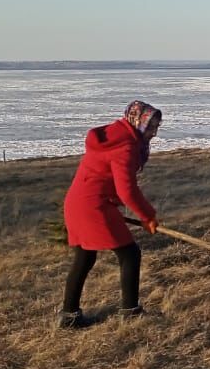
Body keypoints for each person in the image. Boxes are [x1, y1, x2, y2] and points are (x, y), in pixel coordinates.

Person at [60, 100, 162, 328]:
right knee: (129, 253)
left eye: (157, 127)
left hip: (79, 202)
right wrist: (148, 216)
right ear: (138, 122)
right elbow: (127, 190)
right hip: (92, 207)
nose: (154, 133)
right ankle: (130, 312)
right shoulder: (124, 147)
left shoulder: (116, 135)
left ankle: (69, 317)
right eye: (151, 127)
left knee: (85, 258)